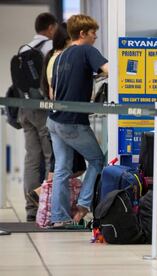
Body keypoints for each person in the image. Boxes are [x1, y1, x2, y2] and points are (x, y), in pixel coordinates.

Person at [47, 14, 108, 227]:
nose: (95, 38)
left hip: (54, 120)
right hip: (73, 121)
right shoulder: (87, 50)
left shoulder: (60, 57)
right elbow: (111, 71)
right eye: (93, 33)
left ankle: (59, 218)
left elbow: (54, 90)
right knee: (97, 160)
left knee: (62, 169)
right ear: (82, 34)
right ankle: (83, 205)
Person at [26, 23, 85, 208]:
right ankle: (46, 195)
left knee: (56, 162)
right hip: (63, 117)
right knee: (63, 164)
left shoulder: (51, 56)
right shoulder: (60, 57)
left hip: (51, 114)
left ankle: (50, 200)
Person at [19, 13, 58, 221]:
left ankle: (30, 209)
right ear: (51, 28)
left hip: (24, 108)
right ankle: (46, 206)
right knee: (49, 157)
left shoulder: (24, 49)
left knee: (31, 159)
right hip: (43, 108)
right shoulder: (48, 48)